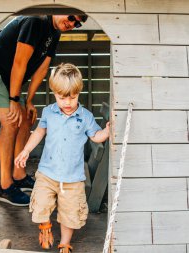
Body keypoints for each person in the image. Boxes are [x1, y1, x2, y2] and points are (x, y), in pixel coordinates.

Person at [0, 14, 88, 206]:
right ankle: (5, 187)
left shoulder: (55, 33)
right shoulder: (36, 22)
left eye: (77, 24)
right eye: (70, 18)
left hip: (9, 79)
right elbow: (19, 62)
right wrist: (13, 100)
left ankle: (18, 175)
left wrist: (29, 101)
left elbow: (42, 69)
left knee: (26, 117)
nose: (72, 23)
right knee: (10, 121)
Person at [14, 63, 110, 253]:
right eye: (62, 97)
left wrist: (107, 131)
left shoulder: (85, 116)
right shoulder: (49, 112)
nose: (67, 102)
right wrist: (25, 150)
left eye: (72, 97)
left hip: (73, 178)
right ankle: (45, 226)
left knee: (70, 213)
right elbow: (39, 132)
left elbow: (95, 136)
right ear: (54, 93)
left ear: (78, 93)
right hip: (47, 173)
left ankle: (65, 243)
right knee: (40, 204)